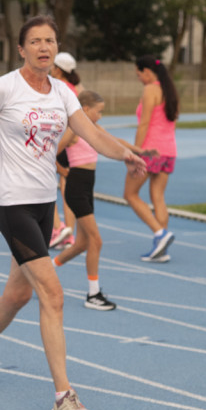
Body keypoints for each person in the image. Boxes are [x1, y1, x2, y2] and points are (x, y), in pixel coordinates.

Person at [0, 16, 147, 410]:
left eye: (50, 41)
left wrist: (124, 154)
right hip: (11, 204)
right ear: (21, 49)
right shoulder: (5, 86)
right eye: (35, 41)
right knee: (52, 294)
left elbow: (92, 134)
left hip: (43, 203)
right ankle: (64, 396)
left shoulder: (62, 92)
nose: (44, 47)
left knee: (18, 294)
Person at [53, 90, 149, 311]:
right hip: (77, 185)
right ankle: (93, 294)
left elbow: (113, 141)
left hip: (88, 185)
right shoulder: (73, 130)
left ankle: (45, 271)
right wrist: (62, 171)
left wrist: (138, 151)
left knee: (82, 244)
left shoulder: (93, 129)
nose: (101, 116)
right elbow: (54, 150)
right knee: (96, 241)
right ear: (85, 109)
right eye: (99, 112)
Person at [124, 54, 179, 262]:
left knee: (130, 194)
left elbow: (144, 124)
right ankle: (161, 246)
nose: (138, 78)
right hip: (169, 151)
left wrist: (135, 152)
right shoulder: (170, 90)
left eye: (138, 74)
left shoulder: (150, 90)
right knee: (158, 197)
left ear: (147, 72)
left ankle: (160, 233)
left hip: (150, 150)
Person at [49, 51, 81, 249]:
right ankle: (69, 233)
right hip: (70, 145)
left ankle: (58, 228)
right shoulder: (74, 89)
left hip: (56, 141)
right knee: (66, 189)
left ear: (58, 70)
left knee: (46, 185)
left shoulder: (58, 88)